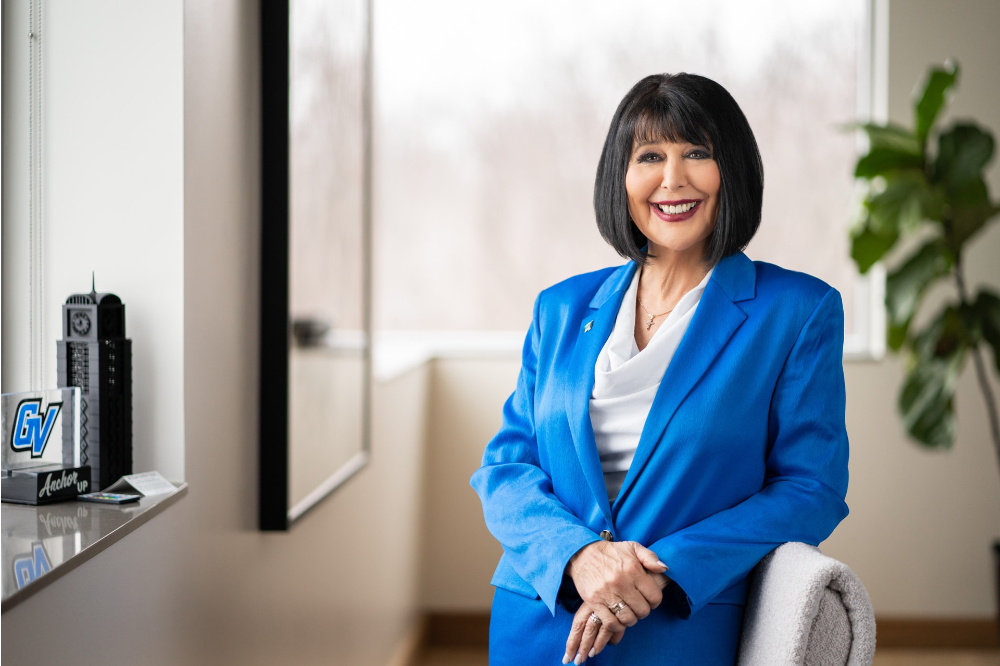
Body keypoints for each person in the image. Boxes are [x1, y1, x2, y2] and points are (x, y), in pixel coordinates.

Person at [470, 72, 850, 665]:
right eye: (650, 156)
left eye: (696, 153)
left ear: (733, 172)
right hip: (541, 620)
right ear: (620, 179)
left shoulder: (798, 311)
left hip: (676, 626)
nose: (673, 179)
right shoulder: (561, 308)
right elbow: (507, 467)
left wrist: (662, 574)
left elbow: (812, 489)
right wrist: (579, 556)